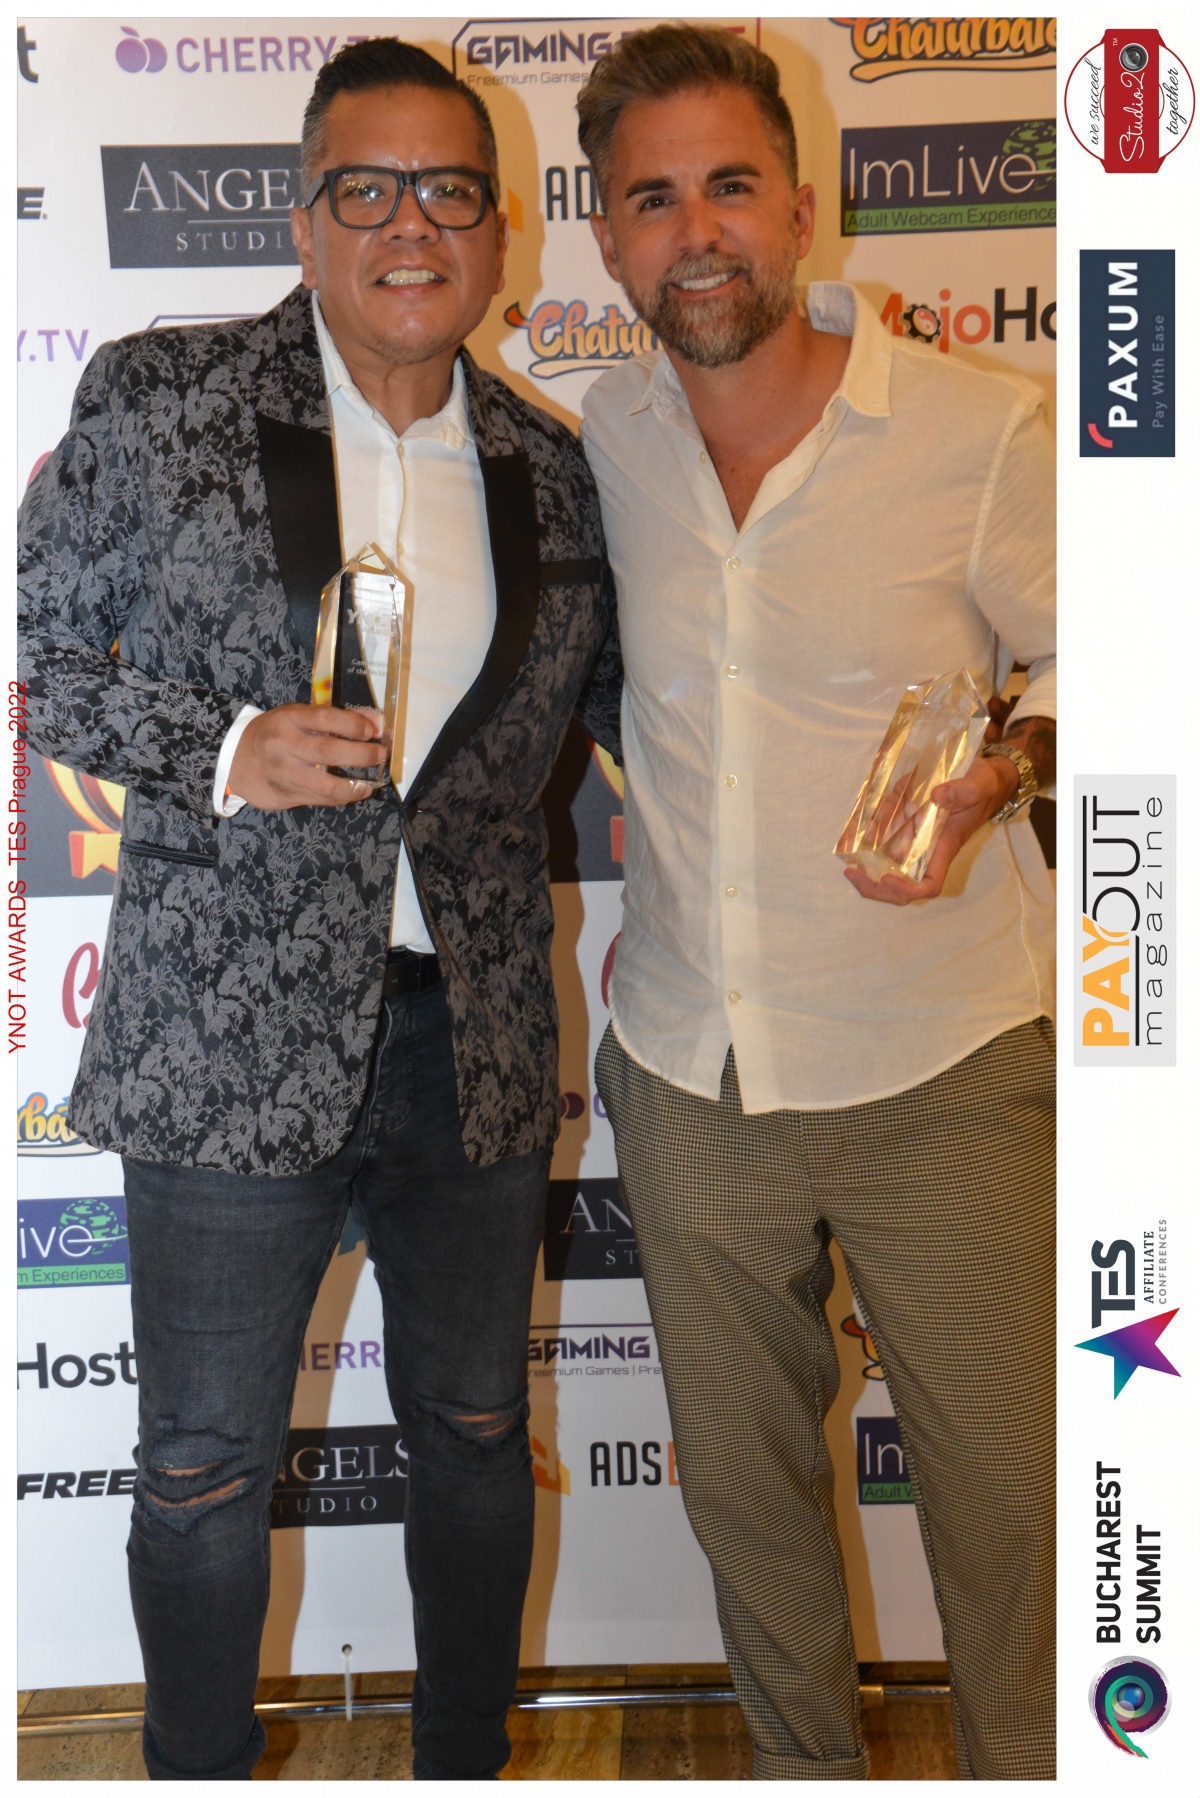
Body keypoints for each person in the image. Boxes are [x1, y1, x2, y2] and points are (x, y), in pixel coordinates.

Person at [18, 38, 620, 1782]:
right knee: (202, 1465)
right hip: (223, 1039)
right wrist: (228, 746)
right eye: (366, 188)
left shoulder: (554, 464)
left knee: (478, 1431)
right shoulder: (164, 398)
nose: (408, 223)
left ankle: (461, 1760)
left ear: (499, 234)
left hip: (470, 1046)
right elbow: (50, 671)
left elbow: (640, 711)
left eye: (448, 191)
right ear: (302, 217)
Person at [576, 25, 1055, 1782]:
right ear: (608, 238)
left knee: (1013, 1507)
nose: (696, 230)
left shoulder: (978, 433)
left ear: (800, 205)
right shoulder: (607, 434)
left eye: (730, 186)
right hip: (687, 1070)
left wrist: (1007, 768)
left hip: (944, 1060)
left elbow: (1126, 655)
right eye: (653, 199)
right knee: (750, 1511)